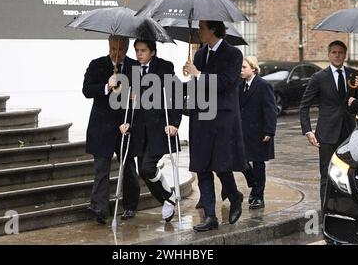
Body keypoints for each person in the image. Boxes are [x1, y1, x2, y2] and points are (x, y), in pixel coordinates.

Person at [184, 20, 247, 232]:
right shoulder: (200, 55)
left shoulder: (233, 54)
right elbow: (197, 87)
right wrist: (189, 77)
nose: (198, 31)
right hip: (201, 118)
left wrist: (198, 74)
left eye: (201, 28)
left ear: (212, 29)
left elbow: (227, 83)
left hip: (223, 119)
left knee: (222, 166)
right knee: (202, 166)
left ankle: (235, 195)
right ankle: (210, 216)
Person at [119, 39, 182, 222]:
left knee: (147, 167)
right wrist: (127, 122)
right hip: (140, 129)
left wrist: (175, 123)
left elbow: (175, 95)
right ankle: (168, 196)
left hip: (159, 127)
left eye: (143, 51)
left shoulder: (164, 67)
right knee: (144, 170)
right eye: (137, 50)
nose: (139, 54)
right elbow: (128, 102)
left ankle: (167, 197)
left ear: (152, 52)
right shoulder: (133, 71)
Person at [83, 35, 140, 224]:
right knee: (101, 168)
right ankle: (99, 207)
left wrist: (136, 96)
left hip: (125, 125)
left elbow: (145, 93)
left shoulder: (135, 68)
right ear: (109, 46)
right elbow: (87, 90)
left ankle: (130, 206)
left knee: (129, 167)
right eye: (113, 49)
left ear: (127, 48)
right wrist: (106, 86)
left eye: (121, 50)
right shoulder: (96, 65)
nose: (117, 54)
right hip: (102, 126)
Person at [300, 40, 358, 206]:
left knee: (348, 173)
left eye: (341, 52)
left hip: (348, 133)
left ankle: (347, 208)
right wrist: (308, 131)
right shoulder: (319, 77)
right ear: (329, 55)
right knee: (327, 174)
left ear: (345, 55)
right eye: (334, 52)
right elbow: (304, 105)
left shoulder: (354, 74)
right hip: (326, 134)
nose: (337, 55)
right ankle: (325, 208)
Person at [240, 56, 277, 210]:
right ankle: (254, 185)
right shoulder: (239, 85)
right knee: (241, 161)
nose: (240, 70)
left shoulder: (263, 85)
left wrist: (269, 130)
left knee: (258, 164)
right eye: (240, 67)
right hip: (243, 132)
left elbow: (270, 109)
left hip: (259, 132)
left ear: (253, 69)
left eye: (244, 67)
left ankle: (258, 197)